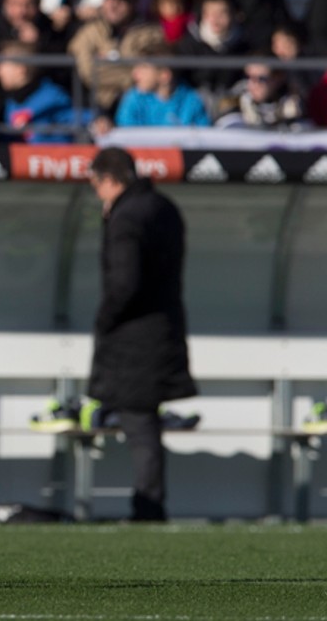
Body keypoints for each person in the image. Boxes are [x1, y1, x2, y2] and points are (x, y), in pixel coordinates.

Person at [87, 147, 197, 522]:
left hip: (135, 339)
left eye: (96, 184)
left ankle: (148, 507)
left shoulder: (127, 216)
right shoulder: (164, 207)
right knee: (145, 421)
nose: (96, 192)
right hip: (166, 326)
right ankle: (148, 504)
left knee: (139, 423)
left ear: (109, 179)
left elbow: (125, 283)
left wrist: (104, 320)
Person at [68, 0, 163, 113]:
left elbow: (153, 74)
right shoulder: (88, 32)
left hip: (141, 110)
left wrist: (106, 65)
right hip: (97, 109)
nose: (113, 4)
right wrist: (132, 74)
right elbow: (88, 72)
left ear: (134, 2)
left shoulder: (152, 34)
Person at [114, 43, 210, 128]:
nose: (135, 74)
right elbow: (126, 133)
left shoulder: (192, 101)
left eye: (143, 67)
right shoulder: (133, 99)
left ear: (165, 75)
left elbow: (203, 134)